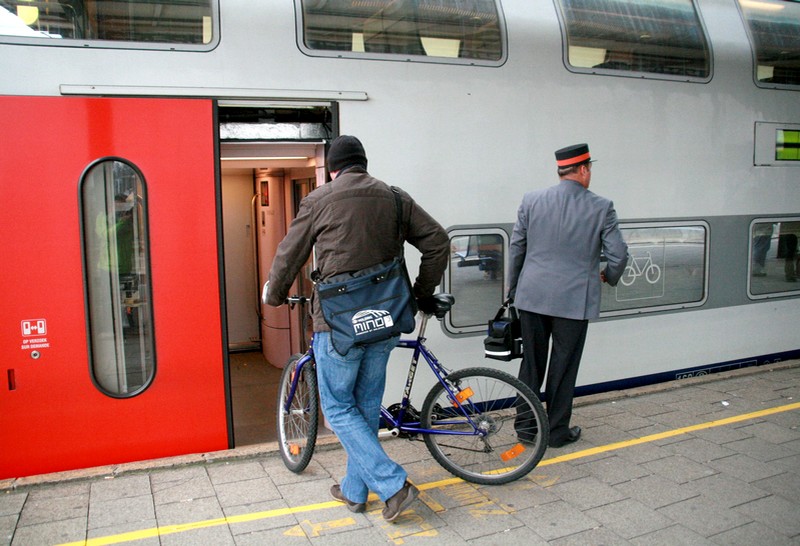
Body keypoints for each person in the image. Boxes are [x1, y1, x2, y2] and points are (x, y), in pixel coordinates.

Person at [265, 135, 449, 522]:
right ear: (363, 163)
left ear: (333, 168)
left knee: (336, 406)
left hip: (338, 324)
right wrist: (418, 294)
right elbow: (437, 242)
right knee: (363, 406)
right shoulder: (395, 198)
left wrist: (275, 295)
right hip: (385, 322)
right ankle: (353, 490)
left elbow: (289, 254)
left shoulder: (319, 200)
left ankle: (393, 485)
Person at [508, 143, 628, 448]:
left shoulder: (531, 200)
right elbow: (619, 256)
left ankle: (525, 429)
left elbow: (517, 248)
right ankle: (557, 431)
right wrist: (608, 277)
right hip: (574, 302)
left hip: (531, 296)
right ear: (584, 170)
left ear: (560, 171)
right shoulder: (602, 207)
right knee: (563, 366)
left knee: (531, 365)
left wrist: (512, 290)